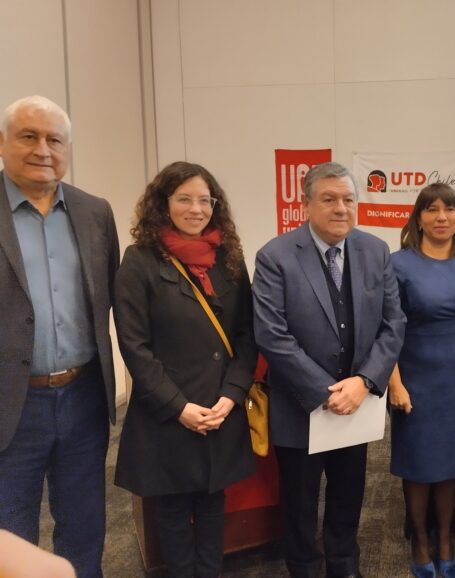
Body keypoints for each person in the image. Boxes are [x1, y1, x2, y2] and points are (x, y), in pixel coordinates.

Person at [253, 161, 406, 578]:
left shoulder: (375, 250)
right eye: (329, 199)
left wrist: (365, 382)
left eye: (348, 199)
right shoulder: (275, 256)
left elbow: (394, 324)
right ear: (305, 204)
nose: (341, 208)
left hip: (357, 403)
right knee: (299, 503)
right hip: (301, 403)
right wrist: (327, 391)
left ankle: (344, 566)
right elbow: (272, 334)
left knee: (348, 495)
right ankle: (303, 569)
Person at [113, 161, 257, 577]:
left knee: (213, 502)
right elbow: (134, 346)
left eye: (205, 200)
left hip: (219, 407)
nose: (196, 209)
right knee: (173, 510)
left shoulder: (228, 257)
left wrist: (231, 395)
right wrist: (179, 407)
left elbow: (247, 334)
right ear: (164, 203)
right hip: (169, 411)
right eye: (184, 199)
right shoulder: (139, 261)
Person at [0, 95, 119, 577]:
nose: (43, 149)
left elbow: (110, 293)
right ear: (3, 143)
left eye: (55, 139)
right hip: (11, 404)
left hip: (83, 395)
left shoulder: (95, 212)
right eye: (29, 136)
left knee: (84, 523)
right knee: (11, 528)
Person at [387, 184, 455, 578]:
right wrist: (394, 382)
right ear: (418, 217)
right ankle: (421, 542)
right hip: (415, 373)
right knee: (418, 464)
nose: (441, 216)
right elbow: (387, 327)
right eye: (431, 209)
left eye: (449, 209)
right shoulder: (398, 263)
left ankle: (445, 539)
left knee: (449, 465)